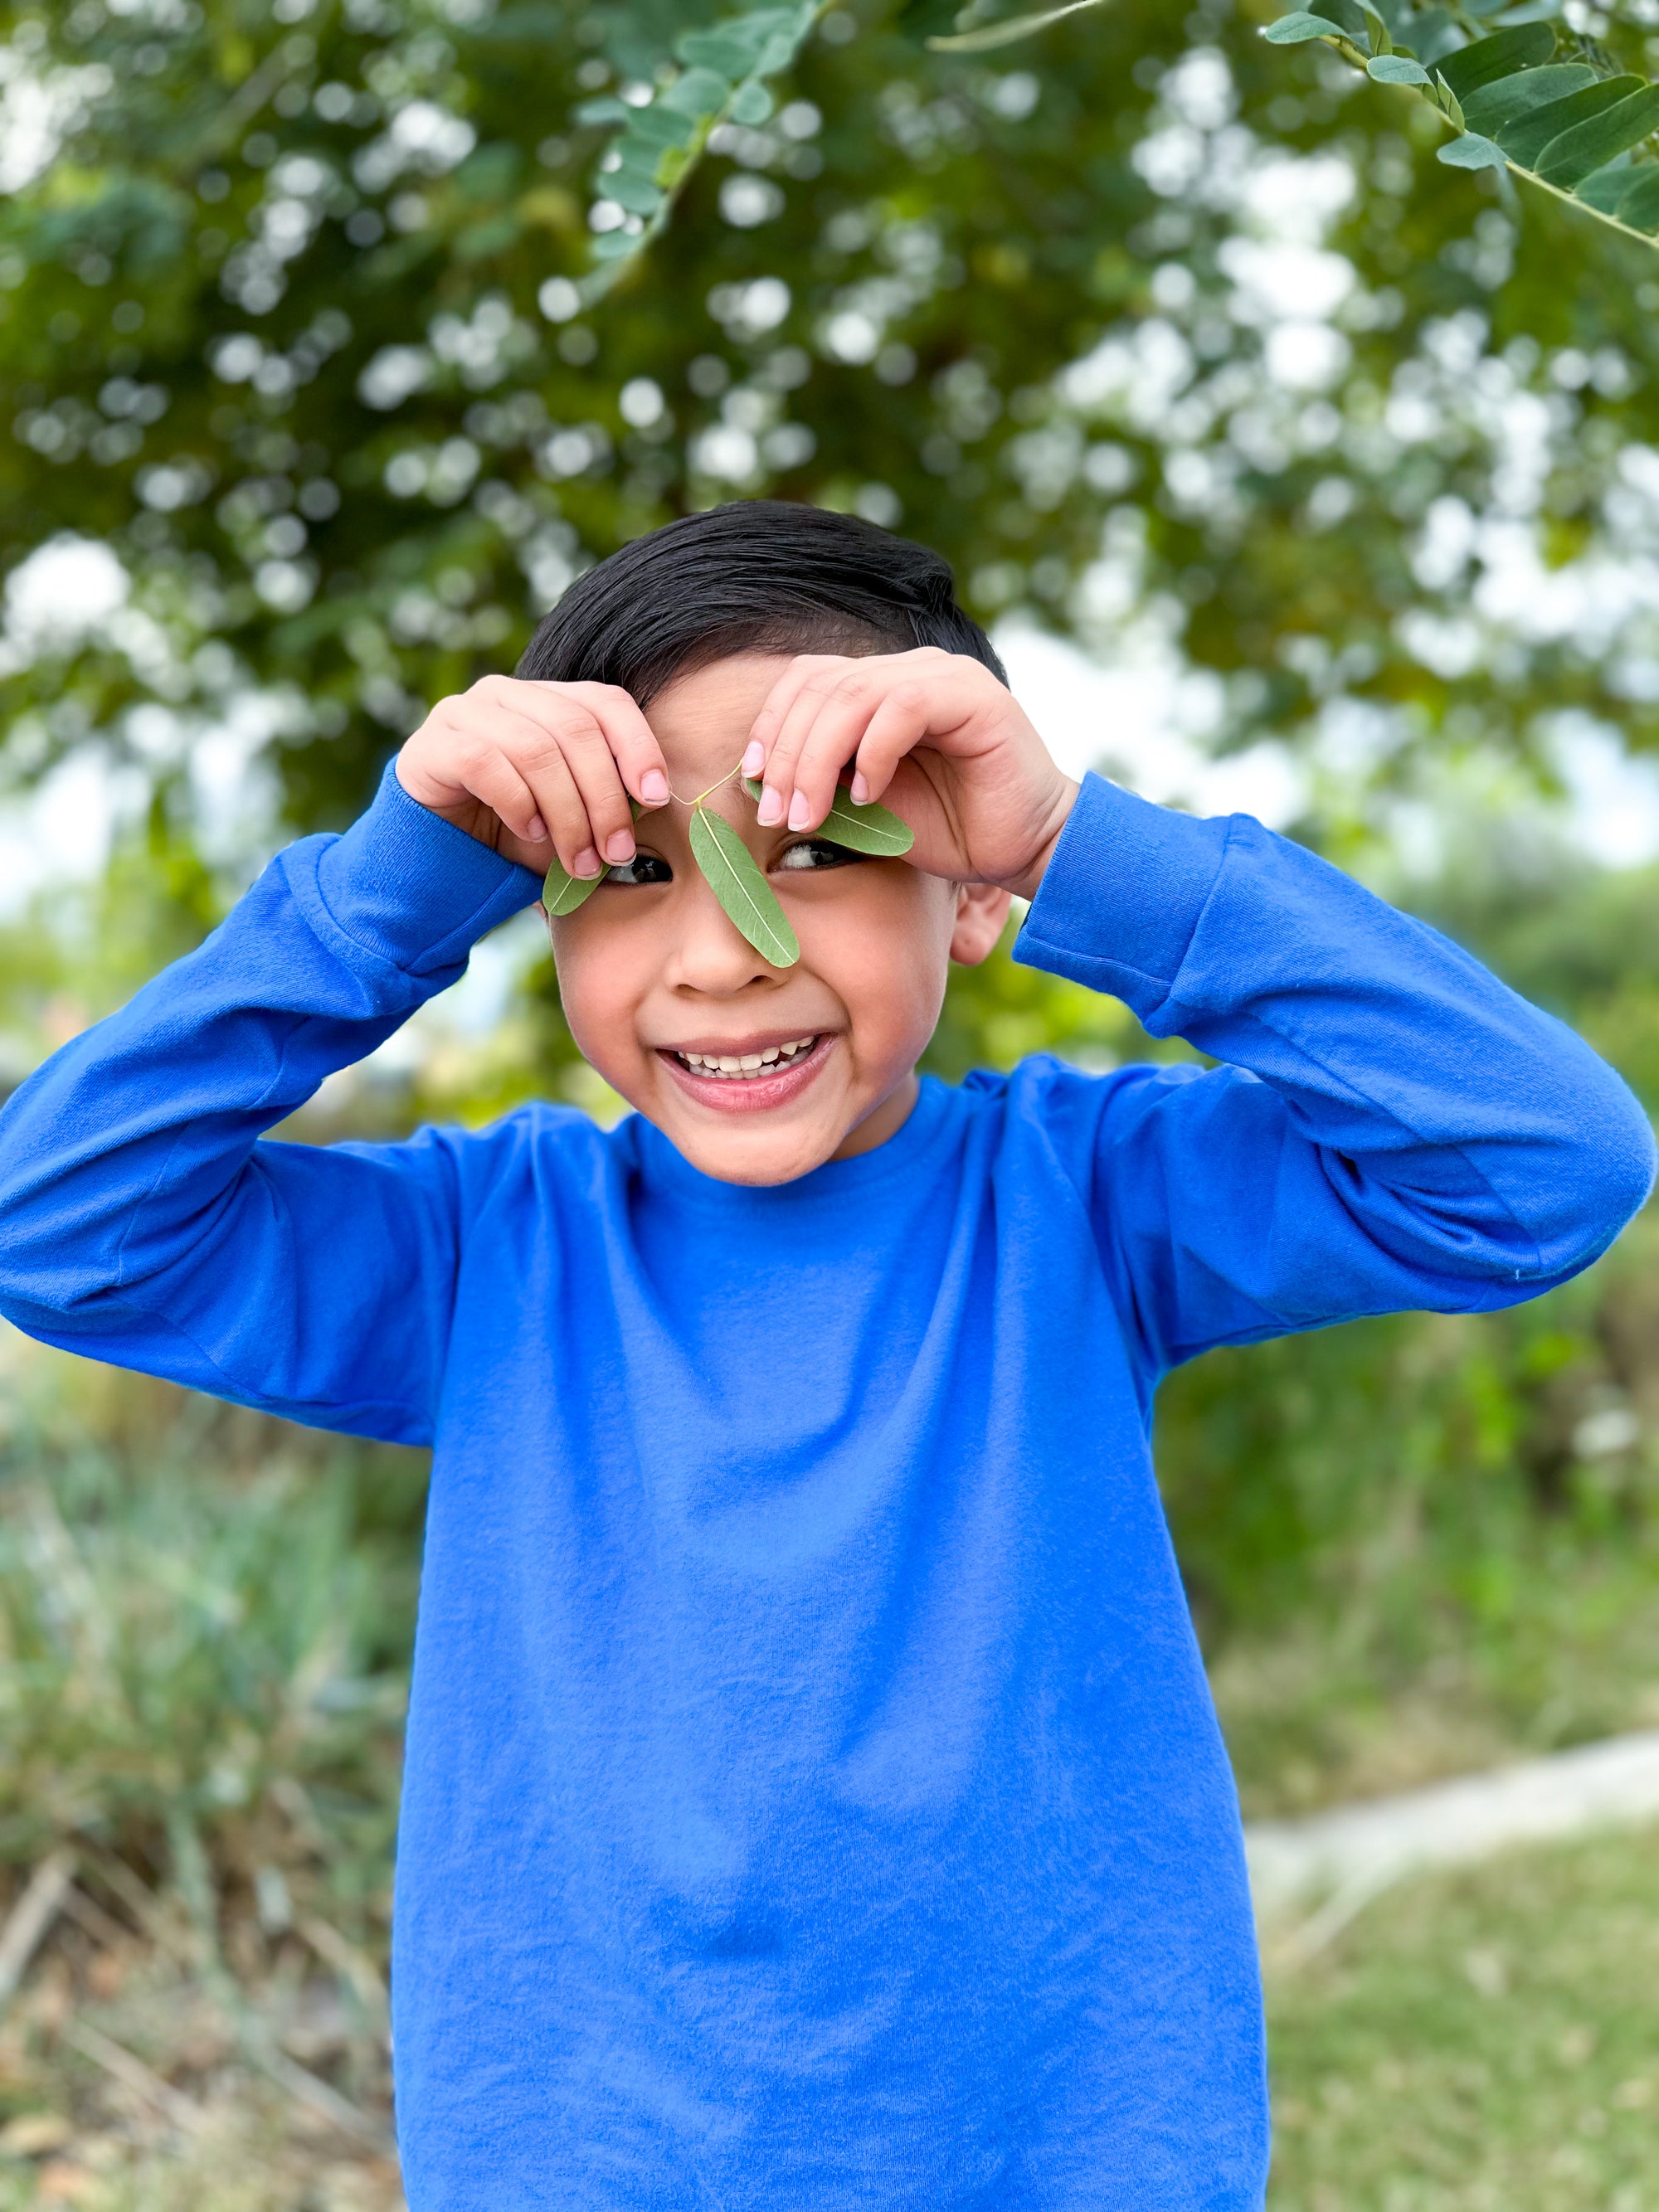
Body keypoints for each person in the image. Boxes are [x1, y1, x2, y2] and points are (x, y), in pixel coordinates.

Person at [0, 500, 1651, 2211]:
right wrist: (385, 889)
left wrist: (1078, 844)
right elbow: (53, 1220)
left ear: (975, 897)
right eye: (631, 870)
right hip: (586, 2160)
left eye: (817, 848)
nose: (725, 951)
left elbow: (1540, 1163)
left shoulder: (1087, 1201)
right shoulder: (487, 1246)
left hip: (1069, 2157)